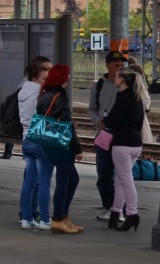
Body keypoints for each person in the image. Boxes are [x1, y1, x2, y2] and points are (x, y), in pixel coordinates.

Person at [34, 65, 84, 234]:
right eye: (67, 75)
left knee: (73, 179)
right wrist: (78, 149)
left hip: (48, 143)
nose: (69, 78)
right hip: (62, 145)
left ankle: (63, 216)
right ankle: (58, 218)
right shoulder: (60, 96)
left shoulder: (44, 94)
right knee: (64, 182)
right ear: (62, 77)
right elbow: (68, 125)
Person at [99, 67, 145, 232]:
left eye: (117, 77)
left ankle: (132, 214)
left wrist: (105, 120)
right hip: (135, 144)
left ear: (122, 80)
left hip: (122, 144)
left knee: (125, 180)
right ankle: (115, 213)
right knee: (119, 180)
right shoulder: (137, 96)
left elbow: (112, 120)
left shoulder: (123, 97)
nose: (114, 79)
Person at [88, 50, 127, 220]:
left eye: (121, 65)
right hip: (104, 135)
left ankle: (122, 209)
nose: (119, 67)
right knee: (103, 173)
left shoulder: (127, 85)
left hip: (122, 136)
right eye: (116, 65)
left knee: (122, 175)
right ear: (108, 65)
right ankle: (109, 206)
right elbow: (92, 108)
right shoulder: (98, 86)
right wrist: (97, 121)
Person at [17, 58, 52, 228]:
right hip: (40, 140)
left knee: (29, 181)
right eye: (45, 78)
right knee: (43, 181)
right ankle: (44, 219)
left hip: (26, 139)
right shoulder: (40, 95)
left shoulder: (22, 91)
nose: (47, 80)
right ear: (37, 77)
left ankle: (25, 218)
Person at [125, 58, 154, 145]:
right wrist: (147, 108)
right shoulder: (141, 86)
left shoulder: (126, 86)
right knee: (140, 135)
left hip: (128, 116)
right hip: (140, 114)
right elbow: (146, 98)